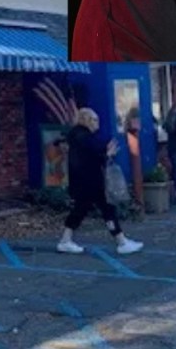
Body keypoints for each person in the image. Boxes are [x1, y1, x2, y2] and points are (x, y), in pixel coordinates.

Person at [56, 109, 144, 255]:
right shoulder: (84, 137)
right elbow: (93, 156)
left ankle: (66, 240)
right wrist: (107, 154)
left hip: (83, 179)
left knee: (83, 209)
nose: (98, 123)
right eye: (95, 120)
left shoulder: (77, 136)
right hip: (90, 179)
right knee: (104, 208)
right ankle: (121, 242)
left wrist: (105, 152)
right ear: (87, 120)